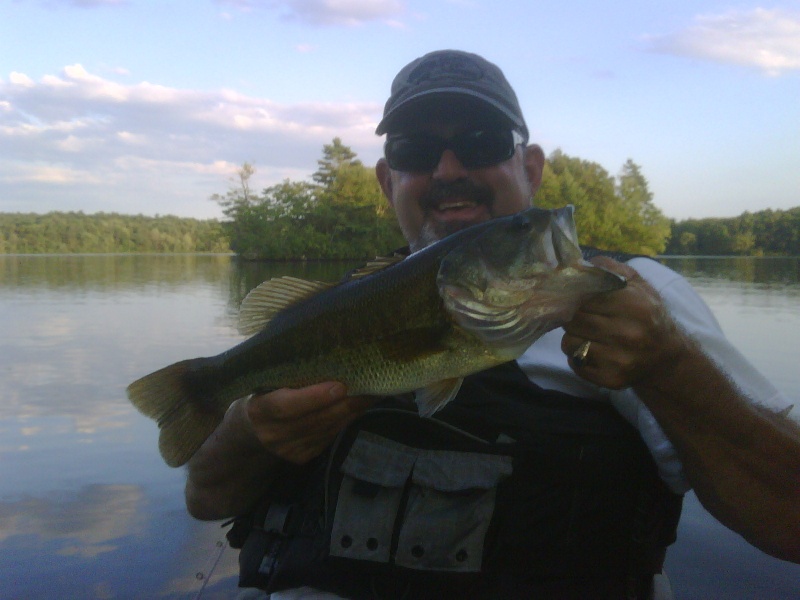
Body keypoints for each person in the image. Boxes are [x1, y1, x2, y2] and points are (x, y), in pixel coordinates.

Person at [185, 50, 800, 599]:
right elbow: (205, 500)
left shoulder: (636, 299)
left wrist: (672, 366)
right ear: (387, 180)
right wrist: (245, 432)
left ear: (530, 169)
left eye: (480, 141)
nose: (448, 169)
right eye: (414, 152)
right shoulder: (342, 307)